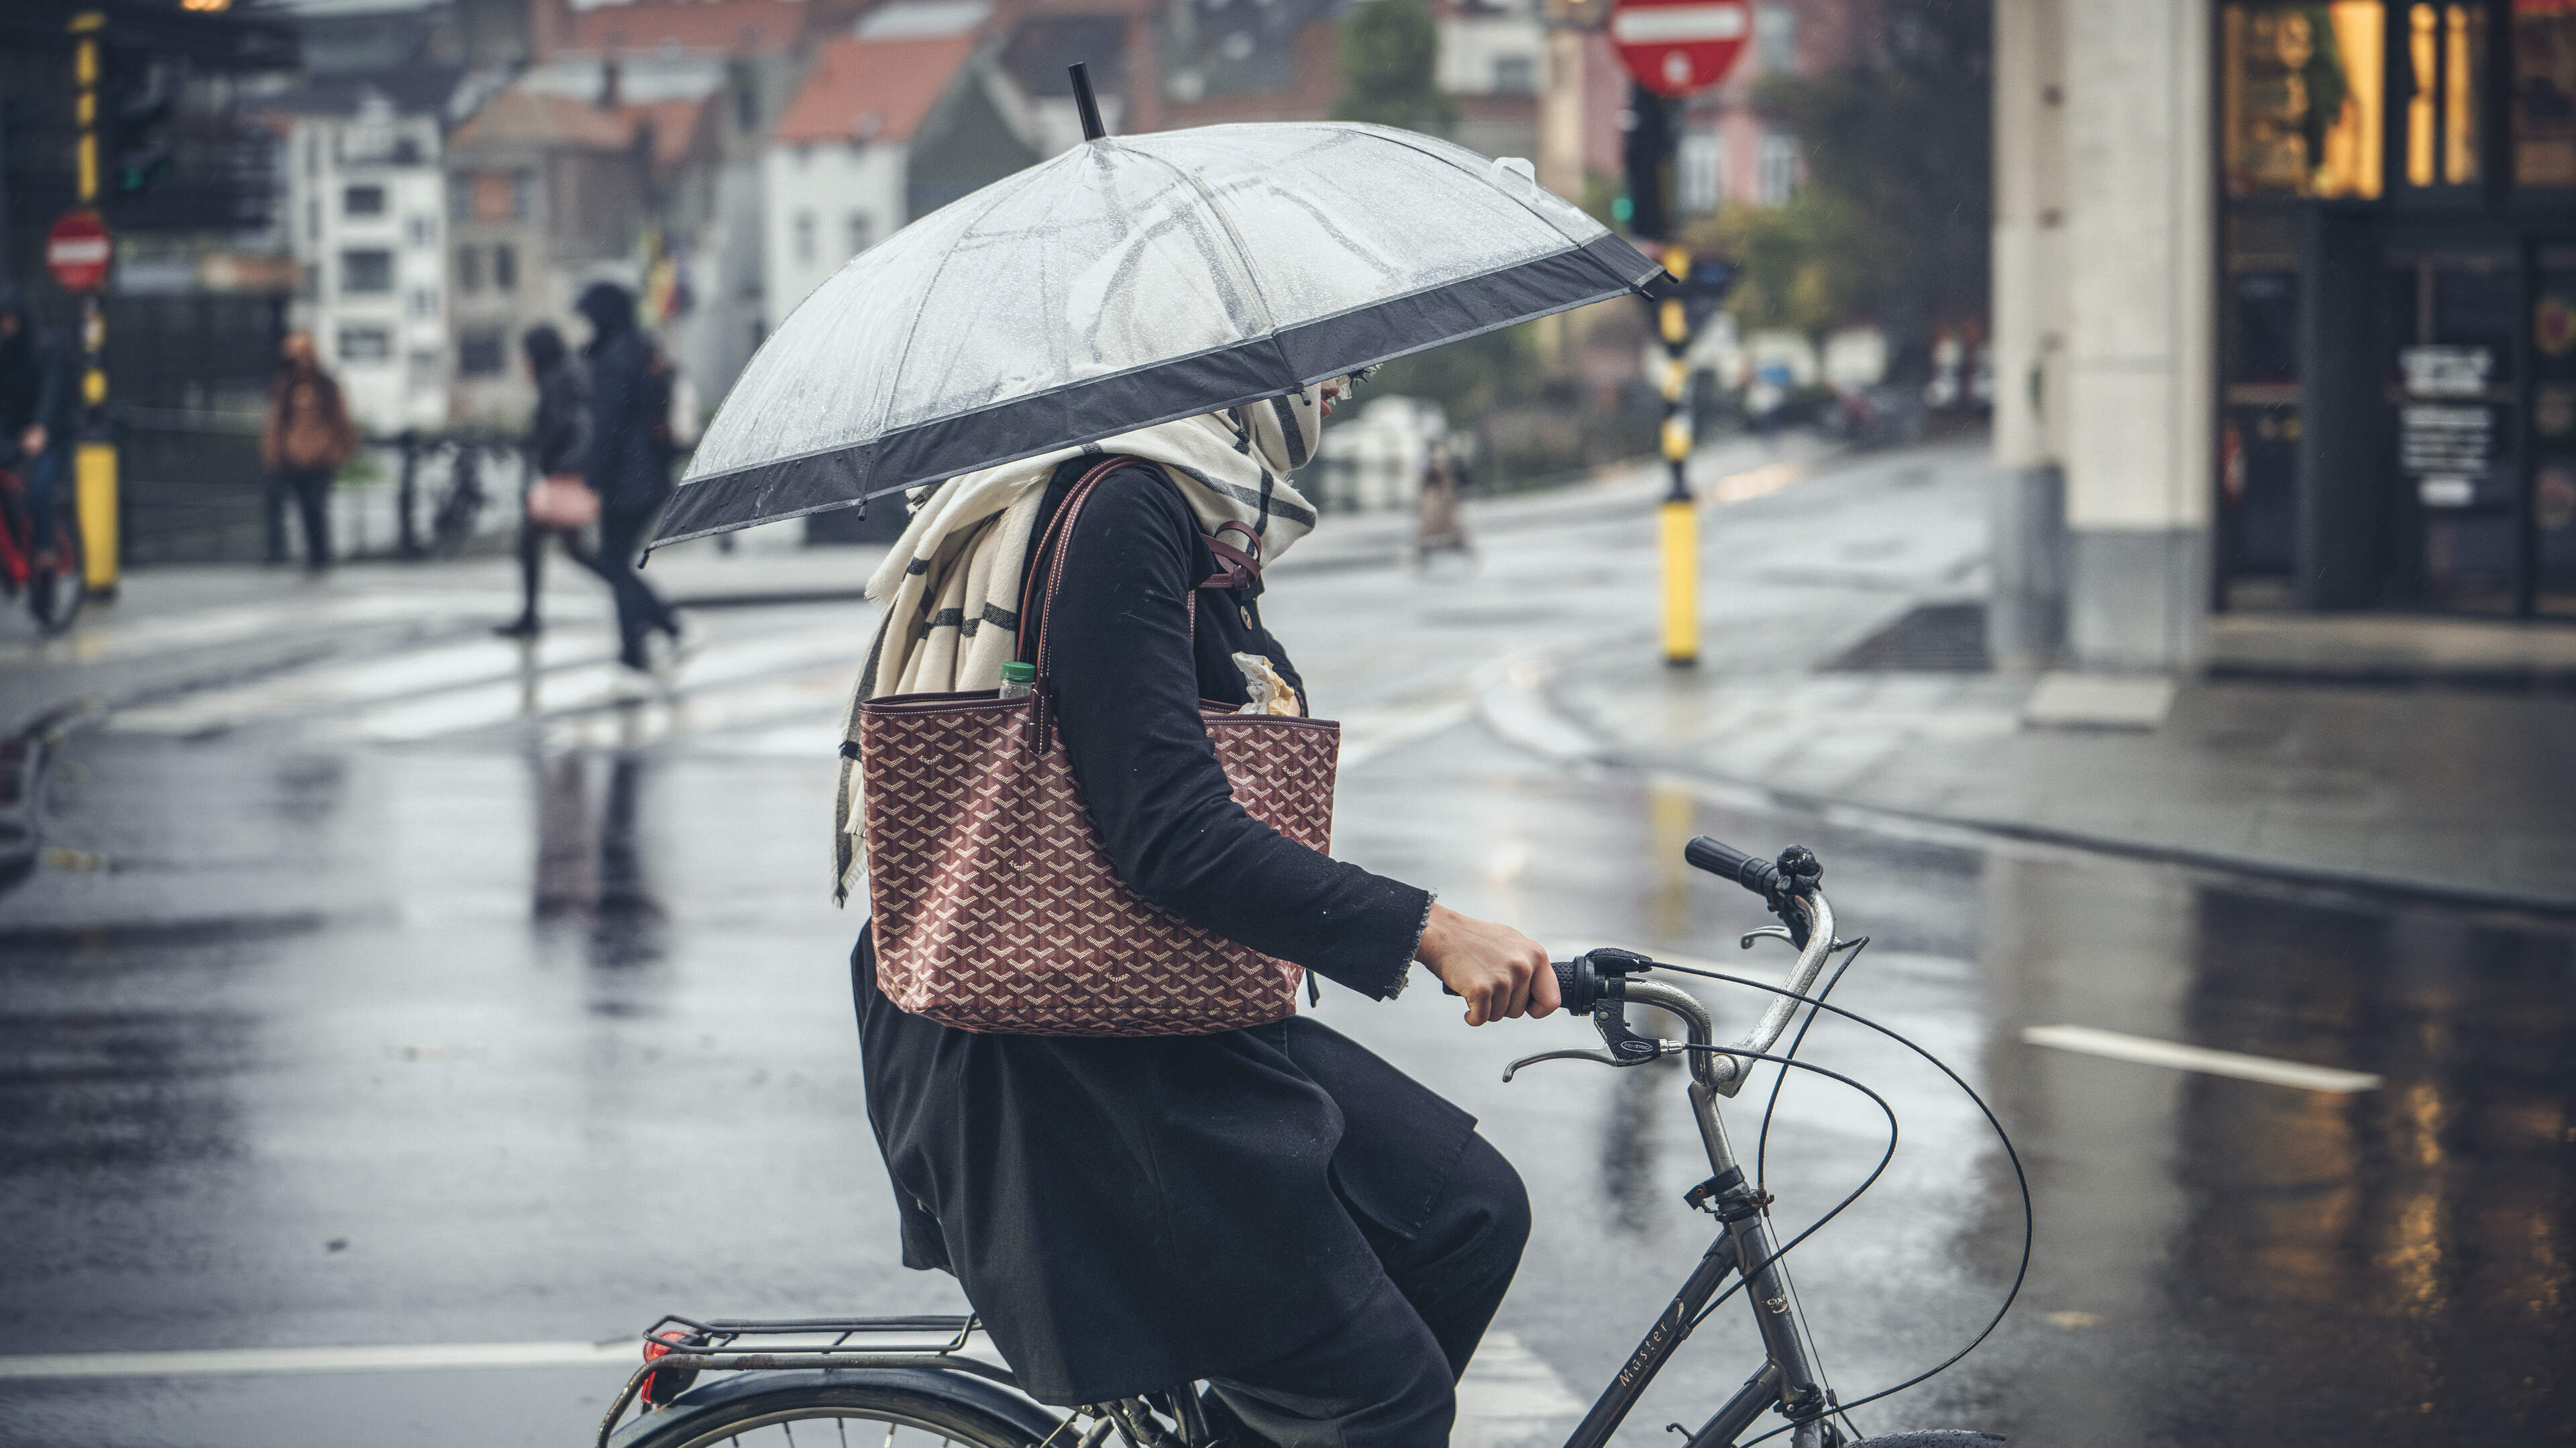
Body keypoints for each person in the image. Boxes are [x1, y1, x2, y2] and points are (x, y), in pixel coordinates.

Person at [843, 377, 1562, 1448]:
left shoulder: (1184, 500)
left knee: (1464, 1213)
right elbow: (1169, 834)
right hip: (1056, 1048)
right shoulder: (1123, 502)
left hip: (1145, 1008)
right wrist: (1432, 928)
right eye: (1308, 355)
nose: (1336, 382)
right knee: (1381, 1397)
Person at [574, 280, 682, 673]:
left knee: (613, 561)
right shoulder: (641, 349)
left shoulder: (615, 358)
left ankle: (648, 635)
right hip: (648, 471)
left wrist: (595, 476)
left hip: (627, 478)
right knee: (616, 560)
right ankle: (645, 635)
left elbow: (609, 424)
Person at [495, 323, 600, 638]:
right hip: (566, 475)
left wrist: (561, 464)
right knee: (569, 549)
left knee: (537, 542)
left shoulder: (560, 379)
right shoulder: (565, 375)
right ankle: (635, 598)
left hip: (566, 477)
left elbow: (572, 427)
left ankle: (636, 598)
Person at [259, 331, 359, 572]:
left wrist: (342, 449)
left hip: (321, 458)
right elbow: (276, 423)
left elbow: (341, 419)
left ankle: (321, 554)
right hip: (293, 459)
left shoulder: (326, 386)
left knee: (316, 506)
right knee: (302, 507)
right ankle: (306, 554)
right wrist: (273, 453)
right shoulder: (284, 387)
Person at [0, 287, 75, 564]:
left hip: (49, 438)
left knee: (39, 491)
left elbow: (52, 392)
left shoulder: (48, 347)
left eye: (9, 319)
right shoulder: (5, 352)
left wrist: (42, 427)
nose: (5, 326)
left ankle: (45, 551)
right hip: (14, 436)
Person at [1413, 426, 1476, 565]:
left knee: (1448, 522)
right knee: (1433, 523)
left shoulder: (1443, 456)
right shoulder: (1427, 458)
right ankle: (1424, 549)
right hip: (1435, 494)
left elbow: (1457, 477)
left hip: (1443, 494)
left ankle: (1459, 544)